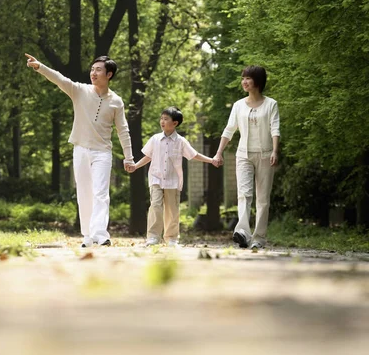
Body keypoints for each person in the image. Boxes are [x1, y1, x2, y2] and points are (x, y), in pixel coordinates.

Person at [25, 53, 135, 247]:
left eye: (98, 69)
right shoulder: (80, 91)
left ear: (109, 74)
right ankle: (87, 235)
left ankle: (100, 234)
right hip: (81, 149)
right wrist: (39, 66)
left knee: (101, 193)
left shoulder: (116, 101)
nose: (93, 73)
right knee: (85, 193)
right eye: (92, 69)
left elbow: (123, 130)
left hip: (103, 152)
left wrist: (129, 157)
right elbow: (60, 78)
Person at [129, 106, 219, 246]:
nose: (162, 121)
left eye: (166, 119)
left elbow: (194, 154)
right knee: (155, 205)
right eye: (161, 118)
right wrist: (135, 166)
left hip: (173, 180)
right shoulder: (155, 139)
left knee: (172, 210)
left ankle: (171, 238)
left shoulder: (181, 141)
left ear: (175, 123)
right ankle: (153, 237)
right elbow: (148, 156)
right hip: (156, 178)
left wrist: (211, 160)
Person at [213, 66, 280, 250]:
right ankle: (242, 233)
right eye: (243, 78)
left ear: (257, 81)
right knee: (244, 194)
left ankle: (259, 238)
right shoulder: (238, 105)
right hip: (243, 155)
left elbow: (275, 128)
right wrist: (219, 152)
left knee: (263, 198)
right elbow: (229, 130)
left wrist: (275, 150)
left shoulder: (271, 104)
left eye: (248, 78)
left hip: (265, 154)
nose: (244, 82)